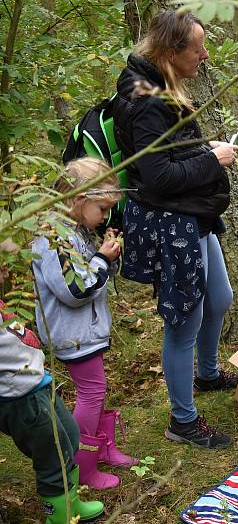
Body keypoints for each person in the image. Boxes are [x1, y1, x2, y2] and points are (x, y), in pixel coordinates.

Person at [112, 10, 238, 449]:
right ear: (170, 51)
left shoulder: (157, 85)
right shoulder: (146, 99)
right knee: (184, 319)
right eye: (197, 47)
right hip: (172, 222)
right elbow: (157, 175)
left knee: (220, 297)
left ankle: (206, 375)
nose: (204, 55)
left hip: (192, 214)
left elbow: (169, 153)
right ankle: (182, 420)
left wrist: (203, 151)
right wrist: (213, 159)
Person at [31, 158, 137, 490]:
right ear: (79, 199)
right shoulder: (53, 239)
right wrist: (102, 259)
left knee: (96, 390)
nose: (105, 216)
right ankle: (83, 466)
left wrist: (105, 257)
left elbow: (92, 277)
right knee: (91, 392)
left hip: (85, 332)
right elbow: (75, 290)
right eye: (102, 208)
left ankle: (101, 448)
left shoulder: (74, 230)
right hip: (73, 334)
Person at [0, 306, 104, 524]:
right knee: (52, 456)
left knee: (70, 437)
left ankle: (71, 503)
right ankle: (59, 517)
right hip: (21, 397)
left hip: (38, 384)